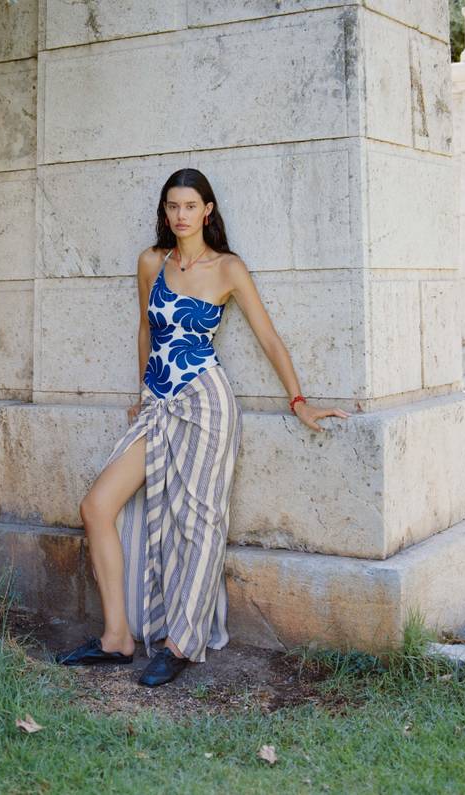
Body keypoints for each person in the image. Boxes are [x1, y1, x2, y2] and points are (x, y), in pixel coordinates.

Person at [55, 168, 351, 687]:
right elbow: (146, 327)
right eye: (173, 205)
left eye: (190, 205)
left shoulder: (228, 268)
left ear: (207, 210)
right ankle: (117, 639)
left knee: (199, 523)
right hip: (159, 404)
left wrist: (299, 401)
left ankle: (180, 643)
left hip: (206, 405)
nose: (180, 214)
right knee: (97, 505)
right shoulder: (152, 261)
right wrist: (142, 392)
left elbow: (270, 339)